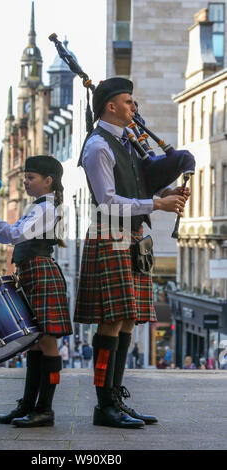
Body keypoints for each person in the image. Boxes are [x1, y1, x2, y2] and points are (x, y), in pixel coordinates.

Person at [74, 77, 192, 429]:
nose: (134, 107)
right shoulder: (98, 146)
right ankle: (103, 404)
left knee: (126, 318)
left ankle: (116, 397)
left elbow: (137, 182)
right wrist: (158, 202)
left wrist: (167, 189)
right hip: (109, 234)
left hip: (133, 236)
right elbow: (108, 201)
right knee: (110, 320)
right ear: (111, 106)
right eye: (129, 101)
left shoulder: (127, 142)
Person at [0, 155, 73, 428]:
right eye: (25, 178)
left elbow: (12, 235)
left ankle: (45, 409)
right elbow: (10, 235)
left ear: (48, 181)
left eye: (31, 178)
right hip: (33, 273)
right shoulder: (40, 206)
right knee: (36, 341)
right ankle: (29, 405)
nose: (26, 182)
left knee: (48, 342)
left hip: (41, 273)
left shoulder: (44, 209)